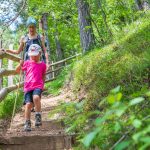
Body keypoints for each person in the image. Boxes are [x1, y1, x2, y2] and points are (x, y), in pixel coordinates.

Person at [16, 44, 46, 131]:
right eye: (31, 55)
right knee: (28, 105)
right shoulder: (27, 63)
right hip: (28, 87)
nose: (33, 57)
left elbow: (43, 75)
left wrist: (42, 85)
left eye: (35, 55)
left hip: (38, 86)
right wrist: (20, 64)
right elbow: (17, 70)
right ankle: (27, 122)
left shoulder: (43, 65)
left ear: (40, 53)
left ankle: (38, 116)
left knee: (36, 98)